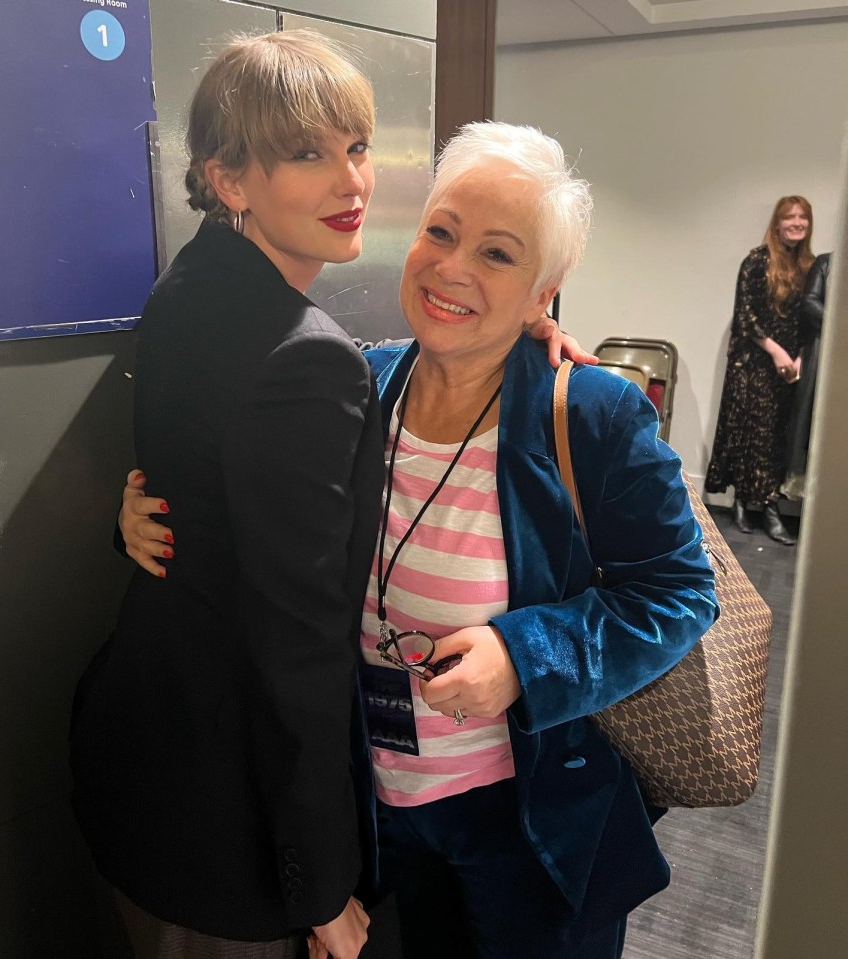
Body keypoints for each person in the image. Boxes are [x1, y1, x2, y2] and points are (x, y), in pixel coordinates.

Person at [120, 121, 719, 958]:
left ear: (543, 289)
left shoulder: (590, 416)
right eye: (441, 231)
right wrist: (140, 514)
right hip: (373, 812)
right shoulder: (356, 381)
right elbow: (260, 529)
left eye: (498, 255)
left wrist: (524, 657)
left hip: (523, 823)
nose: (452, 268)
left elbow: (681, 592)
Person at [69, 34, 588, 959]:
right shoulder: (309, 360)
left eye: (354, 146)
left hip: (142, 762)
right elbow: (296, 647)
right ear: (229, 181)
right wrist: (320, 884)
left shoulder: (189, 287)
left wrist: (526, 319)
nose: (350, 180)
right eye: (307, 153)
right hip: (232, 830)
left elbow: (204, 481)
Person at [705, 196, 815, 544]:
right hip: (753, 363)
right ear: (777, 223)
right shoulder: (756, 261)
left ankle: (762, 504)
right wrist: (776, 351)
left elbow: (811, 319)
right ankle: (751, 505)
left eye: (803, 217)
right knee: (750, 433)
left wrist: (798, 358)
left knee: (777, 438)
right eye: (789, 217)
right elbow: (745, 316)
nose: (796, 223)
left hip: (790, 369)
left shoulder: (811, 267)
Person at [782, 251, 832, 500]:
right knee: (813, 426)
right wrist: (840, 323)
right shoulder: (827, 263)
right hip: (825, 354)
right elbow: (810, 304)